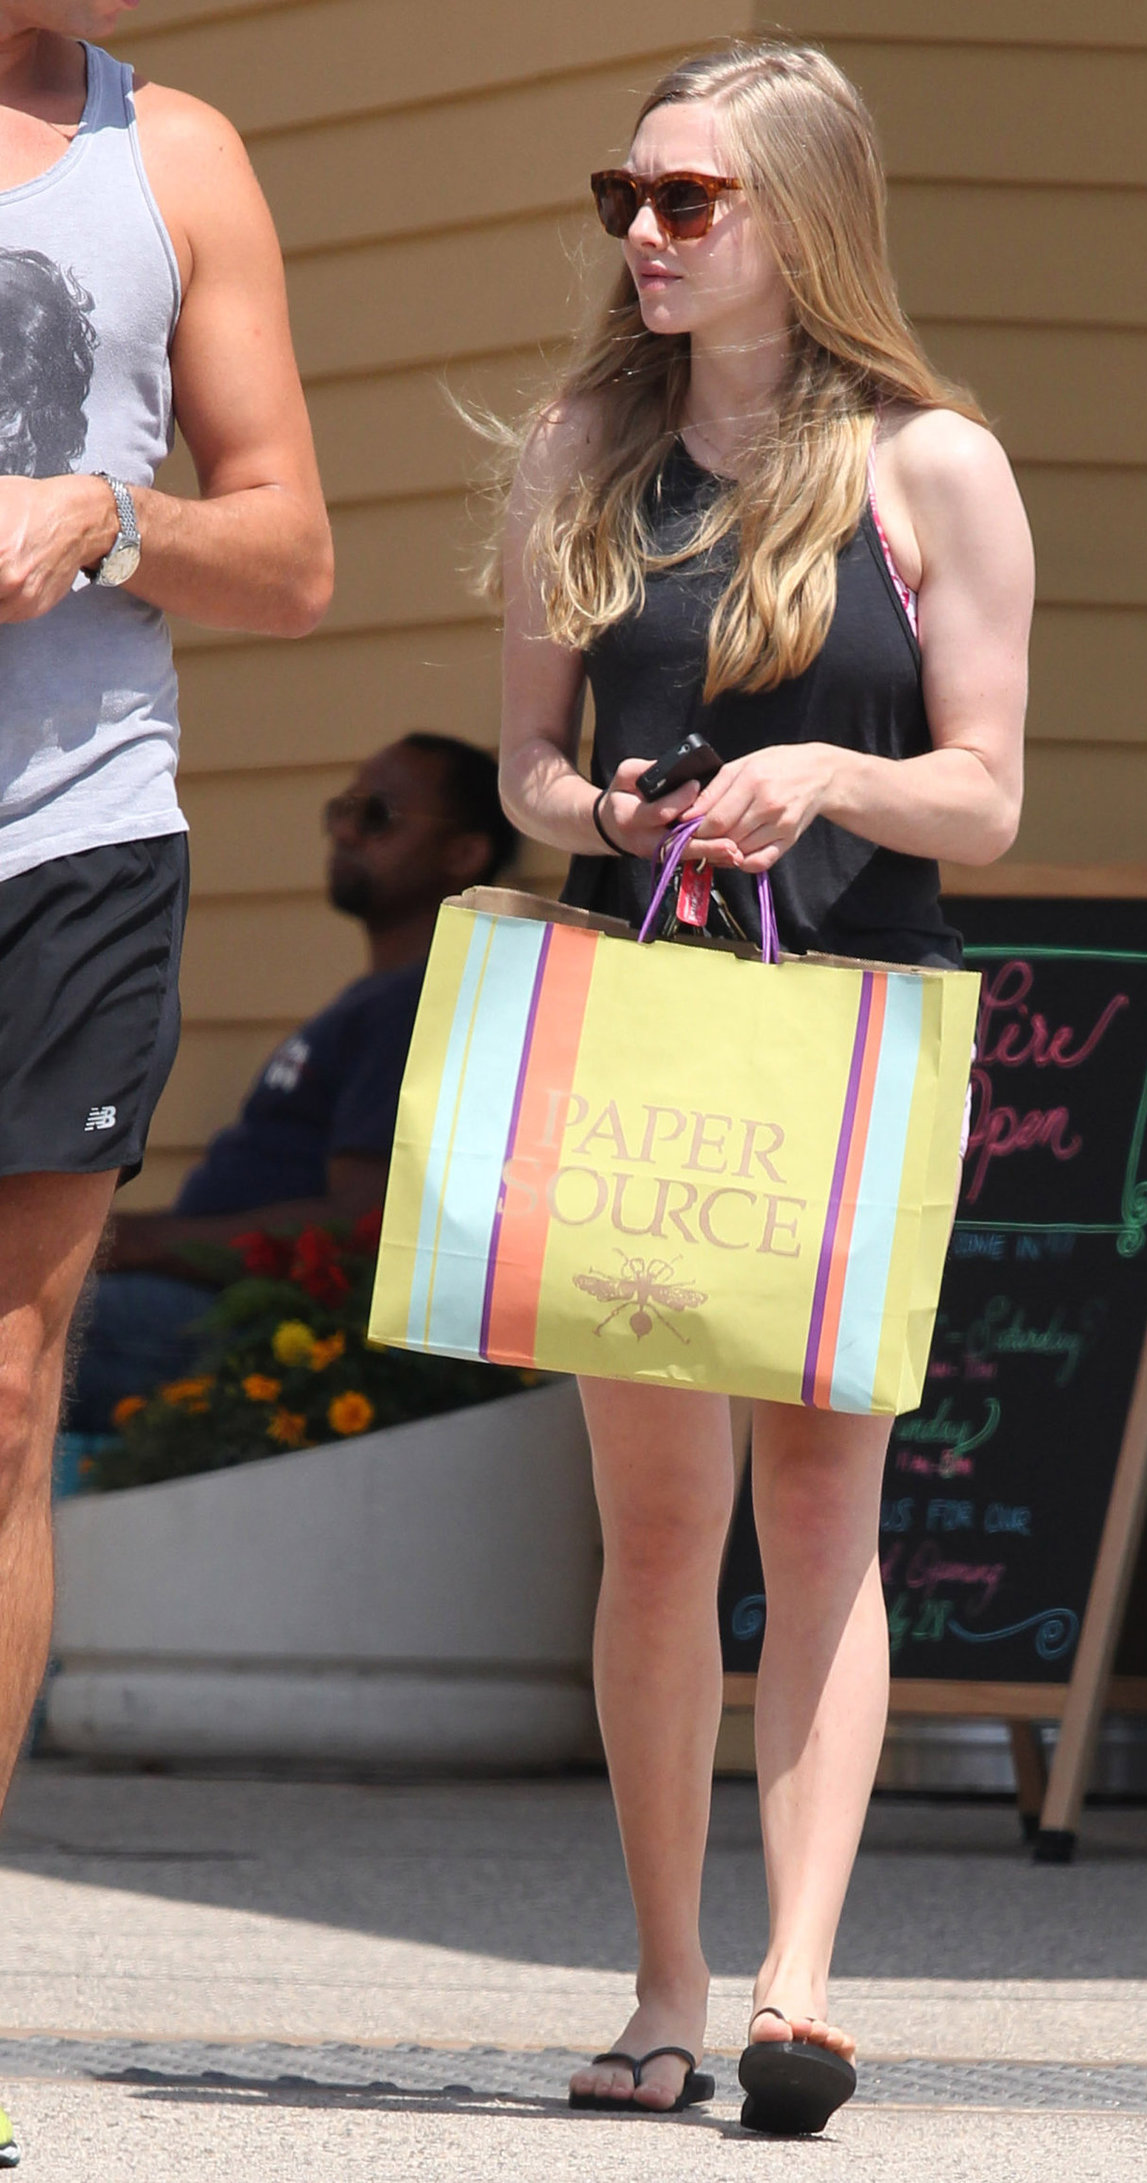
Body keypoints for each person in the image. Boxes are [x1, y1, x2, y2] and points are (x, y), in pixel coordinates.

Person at [497, 40, 1034, 2133]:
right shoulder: (578, 450)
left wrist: (822, 770)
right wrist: (609, 810)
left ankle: (799, 1982)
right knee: (654, 1530)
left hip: (853, 1016)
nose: (643, 233)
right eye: (625, 196)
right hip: (643, 1013)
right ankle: (659, 1980)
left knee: (821, 1506)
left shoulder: (933, 466)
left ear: (796, 224)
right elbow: (524, 761)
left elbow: (982, 795)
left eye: (687, 202)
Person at [0, 8, 335, 2122]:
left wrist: (100, 518)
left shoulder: (180, 153)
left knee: (9, 1397)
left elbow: (292, 551)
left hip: (78, 839)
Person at [67, 735, 517, 1432]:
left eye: (376, 815)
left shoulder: (417, 1002)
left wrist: (136, 1241)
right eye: (341, 809)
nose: (342, 829)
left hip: (249, 1330)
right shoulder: (375, 1000)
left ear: (464, 853)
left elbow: (360, 1220)